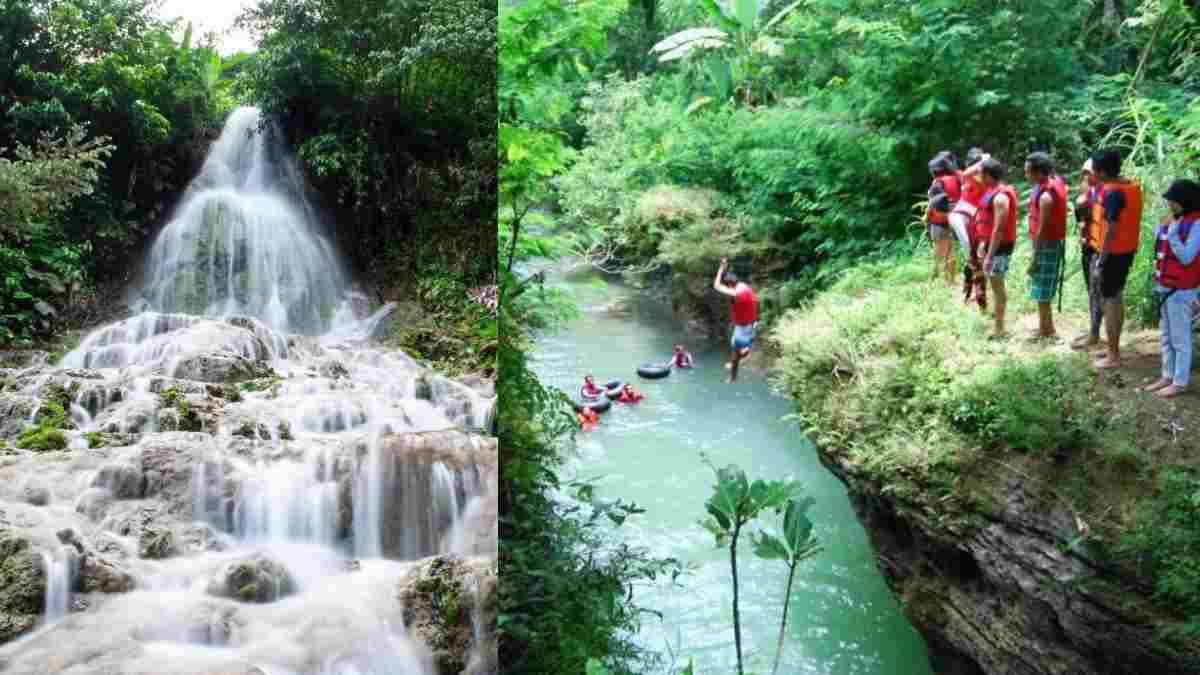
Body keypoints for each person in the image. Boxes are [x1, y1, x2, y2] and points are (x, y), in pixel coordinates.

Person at [1140, 179, 1200, 398]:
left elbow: (1186, 257)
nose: (1169, 203)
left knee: (1181, 339)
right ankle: (1167, 375)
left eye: (1173, 200)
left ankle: (1180, 382)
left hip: (1182, 291)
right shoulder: (1174, 220)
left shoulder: (1196, 224)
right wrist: (1163, 229)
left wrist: (1173, 234)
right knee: (1166, 336)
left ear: (1185, 201)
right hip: (1165, 288)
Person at [1088, 149, 1143, 369]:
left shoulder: (1113, 194)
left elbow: (1110, 230)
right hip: (1125, 251)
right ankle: (1113, 349)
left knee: (1111, 301)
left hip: (1112, 254)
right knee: (1116, 297)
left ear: (1100, 172)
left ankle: (1114, 355)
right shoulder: (1129, 186)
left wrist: (1101, 261)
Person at [1023, 152, 1069, 339]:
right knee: (1041, 286)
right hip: (1045, 243)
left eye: (1028, 172)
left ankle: (1047, 331)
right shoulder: (1051, 182)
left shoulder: (1046, 197)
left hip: (1046, 245)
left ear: (1039, 173)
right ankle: (1046, 326)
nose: (1026, 175)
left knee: (1042, 288)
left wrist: (1035, 256)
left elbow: (1042, 229)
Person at [975, 158, 1019, 338]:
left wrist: (989, 255)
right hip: (992, 246)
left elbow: (999, 229)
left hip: (1000, 247)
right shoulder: (992, 192)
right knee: (994, 285)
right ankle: (998, 325)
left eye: (981, 173)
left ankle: (1000, 329)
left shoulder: (1000, 197)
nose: (979, 177)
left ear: (987, 175)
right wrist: (983, 245)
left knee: (997, 286)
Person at [1072, 159, 1105, 350]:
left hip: (1101, 249)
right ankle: (1094, 331)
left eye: (1089, 172)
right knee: (1092, 290)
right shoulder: (1087, 195)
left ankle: (1096, 333)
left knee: (1099, 291)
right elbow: (1081, 220)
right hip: (1088, 246)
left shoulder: (1104, 194)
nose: (1085, 177)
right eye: (1083, 173)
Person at [713, 257, 758, 383]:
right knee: (741, 348)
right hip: (749, 324)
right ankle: (744, 353)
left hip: (744, 327)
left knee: (735, 355)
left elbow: (716, 286)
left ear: (730, 285)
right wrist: (725, 268)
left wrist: (721, 269)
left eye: (728, 287)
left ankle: (733, 378)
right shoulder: (743, 286)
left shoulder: (737, 293)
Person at [956, 148, 990, 311]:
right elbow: (967, 174)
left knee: (973, 259)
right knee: (977, 260)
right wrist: (984, 161)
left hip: (973, 220)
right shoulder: (972, 176)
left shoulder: (973, 177)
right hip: (973, 222)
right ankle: (980, 298)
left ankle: (968, 290)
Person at [925, 151, 962, 285]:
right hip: (953, 219)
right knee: (951, 251)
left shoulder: (937, 182)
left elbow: (934, 204)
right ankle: (950, 280)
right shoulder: (956, 179)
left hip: (938, 221)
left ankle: (934, 278)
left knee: (938, 251)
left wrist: (926, 216)